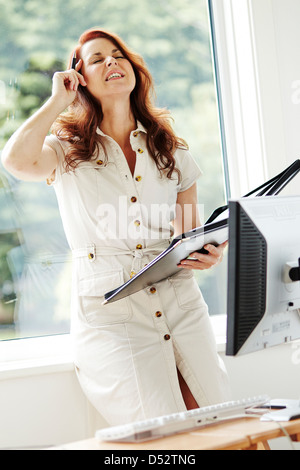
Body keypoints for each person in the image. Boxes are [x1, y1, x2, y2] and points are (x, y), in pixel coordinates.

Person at [2, 28, 231, 425]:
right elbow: (16, 162)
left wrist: (206, 253)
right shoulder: (67, 145)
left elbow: (190, 233)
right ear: (80, 79)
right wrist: (58, 100)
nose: (112, 62)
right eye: (96, 59)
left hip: (181, 303)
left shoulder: (170, 148)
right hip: (112, 314)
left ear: (133, 68)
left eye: (118, 54)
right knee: (164, 431)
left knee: (218, 419)